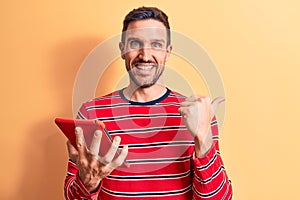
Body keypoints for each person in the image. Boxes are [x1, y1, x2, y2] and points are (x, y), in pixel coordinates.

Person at [64, 6, 233, 200]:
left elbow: (220, 198)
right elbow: (71, 197)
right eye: (135, 43)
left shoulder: (198, 114)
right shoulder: (91, 113)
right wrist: (88, 184)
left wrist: (203, 139)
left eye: (156, 44)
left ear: (168, 52)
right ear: (122, 50)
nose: (145, 56)